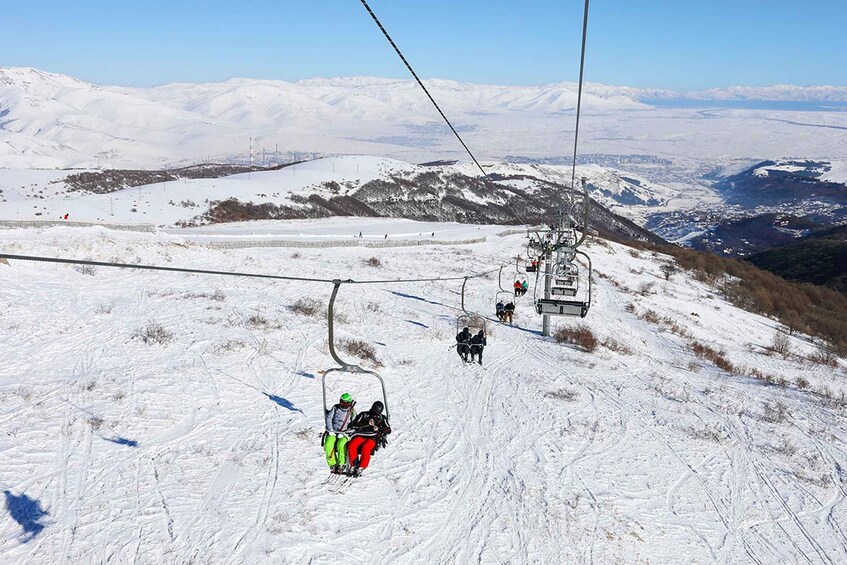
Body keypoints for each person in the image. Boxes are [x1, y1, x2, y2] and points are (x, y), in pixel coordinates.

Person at [347, 401, 391, 477]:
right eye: (374, 412)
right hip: (361, 435)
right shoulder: (364, 414)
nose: (375, 415)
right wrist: (366, 423)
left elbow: (388, 429)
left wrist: (379, 429)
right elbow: (355, 423)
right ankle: (354, 464)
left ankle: (361, 466)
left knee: (366, 448)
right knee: (352, 445)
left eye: (377, 414)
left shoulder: (382, 418)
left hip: (373, 437)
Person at [324, 393, 356, 474]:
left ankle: (342, 463)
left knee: (341, 444)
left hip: (344, 433)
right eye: (342, 402)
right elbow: (328, 418)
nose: (343, 405)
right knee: (328, 444)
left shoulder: (352, 411)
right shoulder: (335, 408)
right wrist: (330, 430)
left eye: (345, 403)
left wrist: (346, 432)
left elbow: (355, 424)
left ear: (349, 403)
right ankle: (333, 463)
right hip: (333, 432)